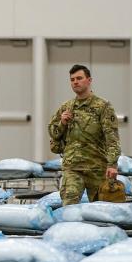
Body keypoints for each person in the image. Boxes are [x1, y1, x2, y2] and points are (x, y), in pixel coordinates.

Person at [47, 64, 122, 206]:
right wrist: (62, 123)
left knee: (101, 211)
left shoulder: (103, 106)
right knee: (68, 207)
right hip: (72, 168)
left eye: (79, 78)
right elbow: (53, 132)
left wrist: (112, 164)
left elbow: (112, 138)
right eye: (72, 79)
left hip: (97, 168)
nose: (75, 82)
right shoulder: (66, 107)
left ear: (89, 80)